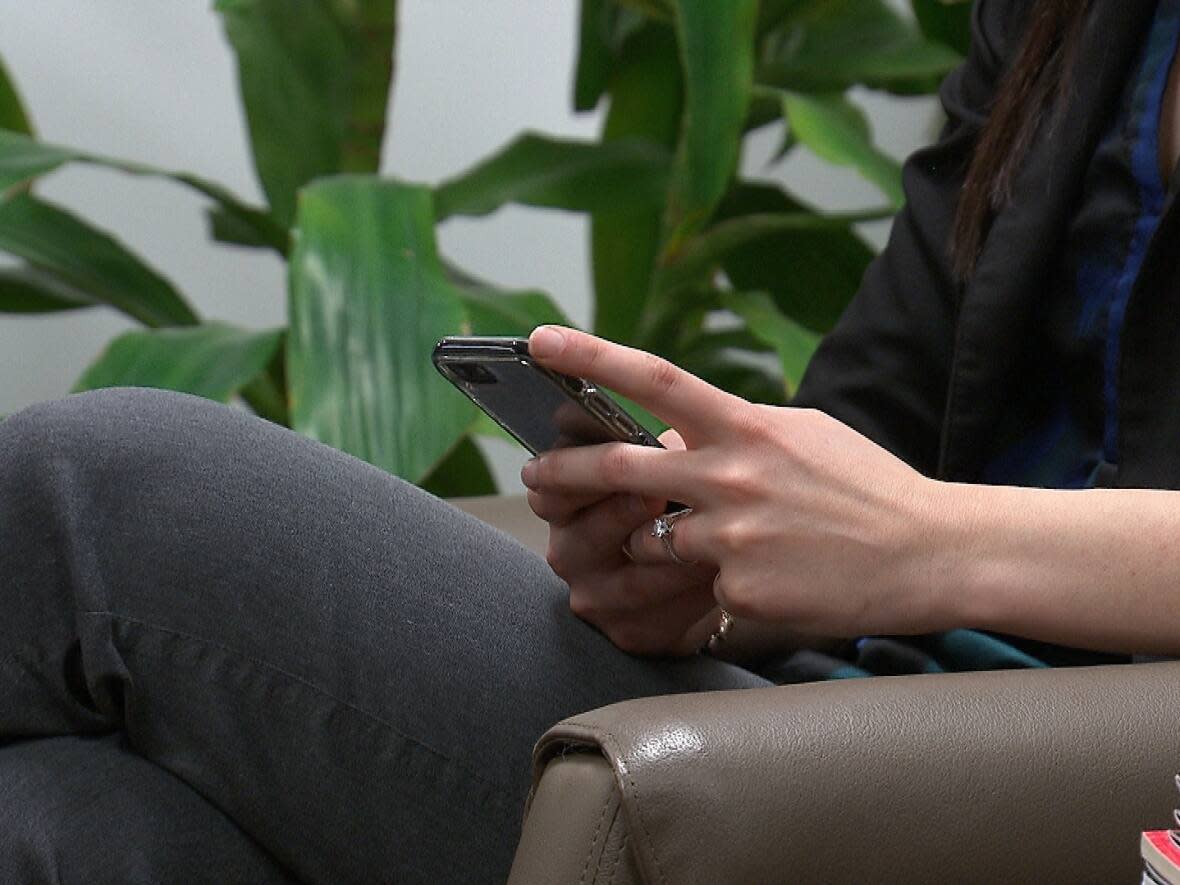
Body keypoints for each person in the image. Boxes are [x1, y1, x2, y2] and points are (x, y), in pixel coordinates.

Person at [3, 0, 1179, 880]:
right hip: (857, 690)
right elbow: (872, 415)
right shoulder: (1074, 25)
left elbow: (912, 522)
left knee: (99, 498)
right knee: (70, 823)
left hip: (1098, 779)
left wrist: (935, 542)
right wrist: (720, 561)